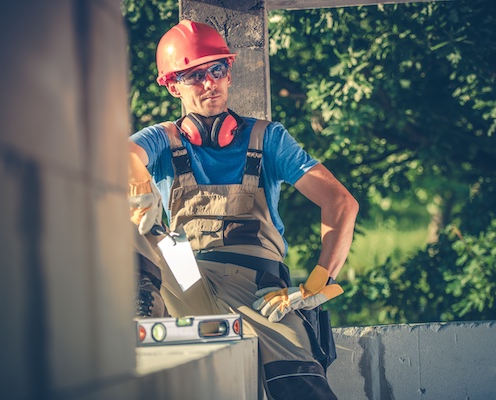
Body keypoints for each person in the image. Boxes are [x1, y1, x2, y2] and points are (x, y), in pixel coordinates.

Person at [128, 19, 358, 400]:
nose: (210, 83)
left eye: (217, 70)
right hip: (186, 274)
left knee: (302, 386)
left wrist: (316, 283)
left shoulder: (268, 139)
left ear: (229, 73)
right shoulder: (160, 139)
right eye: (194, 75)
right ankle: (140, 321)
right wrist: (138, 186)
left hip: (259, 292)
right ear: (172, 85)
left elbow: (341, 202)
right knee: (122, 210)